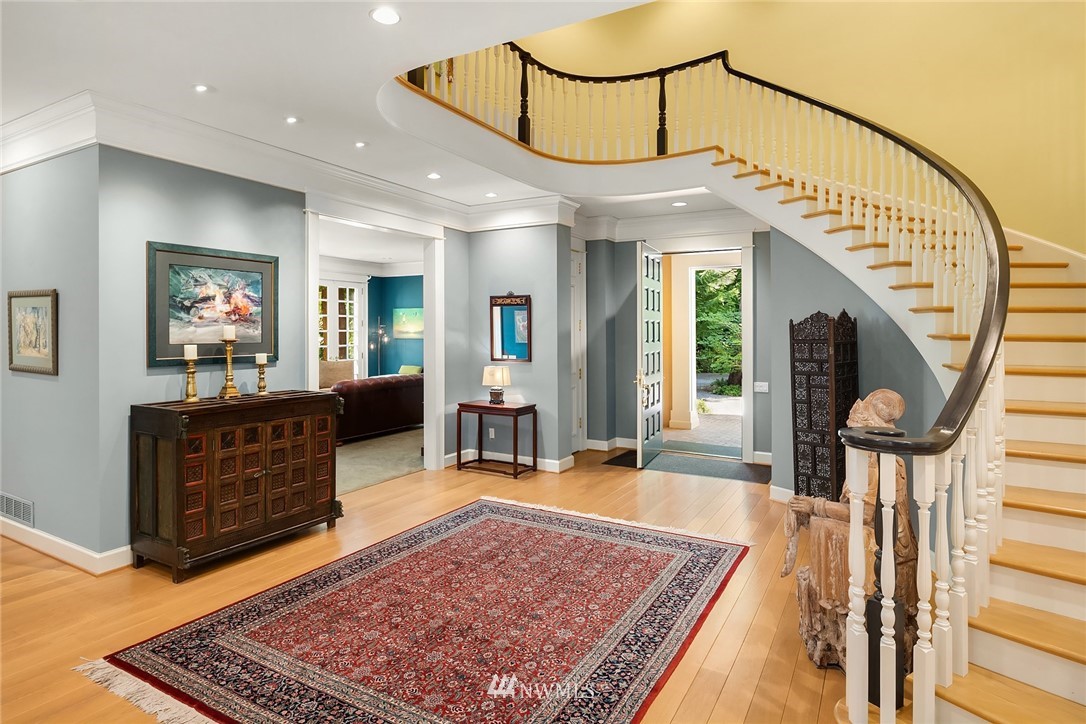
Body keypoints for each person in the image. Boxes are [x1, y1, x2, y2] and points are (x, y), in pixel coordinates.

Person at [781, 388, 919, 669]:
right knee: (819, 522)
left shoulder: (875, 464)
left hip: (883, 548)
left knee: (821, 524)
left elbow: (866, 514)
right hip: (887, 541)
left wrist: (815, 506)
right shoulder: (878, 460)